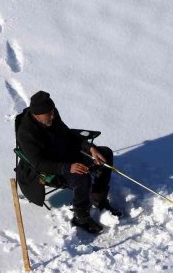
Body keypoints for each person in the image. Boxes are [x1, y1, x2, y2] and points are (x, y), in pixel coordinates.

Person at [16, 90, 122, 234]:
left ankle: (98, 198)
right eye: (49, 114)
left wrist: (90, 148)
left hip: (66, 154)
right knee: (81, 177)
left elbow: (67, 134)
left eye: (53, 111)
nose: (53, 116)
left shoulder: (51, 115)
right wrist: (68, 167)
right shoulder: (26, 132)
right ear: (36, 115)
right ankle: (81, 217)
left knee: (105, 154)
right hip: (50, 168)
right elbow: (38, 163)